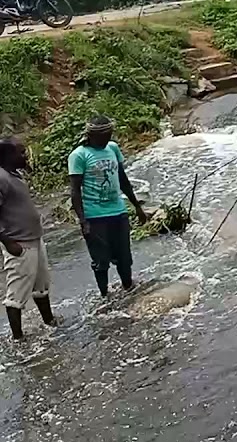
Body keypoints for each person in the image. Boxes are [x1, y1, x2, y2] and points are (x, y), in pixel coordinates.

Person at [69, 116, 148, 298]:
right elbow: (75, 191)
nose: (107, 138)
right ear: (91, 135)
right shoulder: (79, 155)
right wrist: (83, 221)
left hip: (118, 212)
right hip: (95, 216)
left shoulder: (112, 148)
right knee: (101, 261)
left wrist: (137, 206)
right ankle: (104, 295)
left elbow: (123, 179)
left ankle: (129, 288)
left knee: (124, 258)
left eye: (109, 134)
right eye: (103, 135)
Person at [0, 138, 58, 341]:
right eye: (21, 153)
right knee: (16, 294)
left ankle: (50, 322)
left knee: (42, 285)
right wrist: (7, 241)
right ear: (7, 157)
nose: (25, 156)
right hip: (19, 243)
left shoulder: (14, 174)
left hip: (34, 239)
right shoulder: (1, 178)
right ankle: (18, 338)